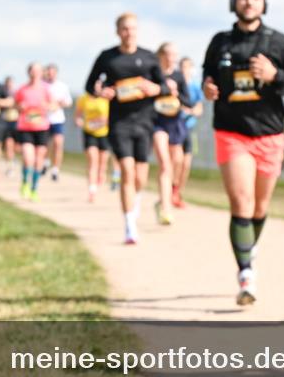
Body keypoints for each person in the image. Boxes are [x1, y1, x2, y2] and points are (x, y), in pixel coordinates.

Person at [202, 0, 284, 306]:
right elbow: (207, 77)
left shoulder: (278, 42)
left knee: (260, 207)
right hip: (232, 132)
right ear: (234, 2)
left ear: (264, 3)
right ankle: (246, 272)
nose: (249, 2)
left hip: (270, 134)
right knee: (242, 202)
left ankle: (249, 246)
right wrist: (208, 88)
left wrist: (274, 75)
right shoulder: (220, 42)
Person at [84, 12, 169, 244]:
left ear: (137, 30)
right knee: (127, 171)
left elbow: (164, 87)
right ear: (117, 31)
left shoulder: (149, 57)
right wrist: (101, 92)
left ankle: (135, 199)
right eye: (124, 28)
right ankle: (130, 225)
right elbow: (90, 85)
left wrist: (154, 88)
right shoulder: (107, 57)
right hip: (119, 122)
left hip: (145, 122)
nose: (128, 32)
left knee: (140, 176)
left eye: (132, 28)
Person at [152, 42, 192, 225]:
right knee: (165, 164)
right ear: (160, 55)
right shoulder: (154, 73)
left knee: (177, 161)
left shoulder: (178, 76)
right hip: (157, 122)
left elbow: (188, 102)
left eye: (174, 55)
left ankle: (163, 198)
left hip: (174, 122)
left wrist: (175, 93)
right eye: (168, 54)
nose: (172, 58)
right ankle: (166, 209)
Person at [15, 62, 54, 201]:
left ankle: (34, 188)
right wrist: (20, 107)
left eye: (38, 70)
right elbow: (16, 106)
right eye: (33, 70)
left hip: (42, 127)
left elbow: (53, 105)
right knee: (28, 158)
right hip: (25, 127)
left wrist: (47, 106)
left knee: (39, 160)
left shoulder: (46, 89)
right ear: (29, 72)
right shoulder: (22, 89)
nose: (35, 73)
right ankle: (25, 181)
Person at [74, 79, 112, 202]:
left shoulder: (107, 99)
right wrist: (78, 121)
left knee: (102, 163)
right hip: (89, 132)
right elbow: (78, 115)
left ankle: (102, 173)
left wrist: (103, 121)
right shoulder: (84, 98)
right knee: (92, 160)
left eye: (99, 85)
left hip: (104, 133)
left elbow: (112, 116)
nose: (96, 87)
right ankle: (92, 191)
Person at [175, 56, 204, 208]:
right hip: (175, 128)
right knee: (177, 161)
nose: (185, 70)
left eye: (188, 67)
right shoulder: (176, 86)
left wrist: (190, 110)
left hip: (189, 129)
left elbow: (199, 109)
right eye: (183, 67)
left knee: (186, 164)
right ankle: (171, 189)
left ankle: (178, 193)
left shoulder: (195, 88)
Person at [44, 63, 73, 181]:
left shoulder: (62, 86)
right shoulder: (42, 85)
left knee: (58, 143)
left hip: (57, 119)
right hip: (44, 119)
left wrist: (59, 104)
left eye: (52, 72)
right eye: (49, 72)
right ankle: (45, 162)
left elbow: (68, 102)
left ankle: (55, 169)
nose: (50, 74)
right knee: (45, 145)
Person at [0, 76, 19, 176]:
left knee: (17, 146)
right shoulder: (2, 93)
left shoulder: (17, 93)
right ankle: (10, 167)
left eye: (11, 83)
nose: (9, 85)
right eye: (8, 83)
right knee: (8, 144)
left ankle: (13, 157)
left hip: (17, 122)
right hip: (6, 121)